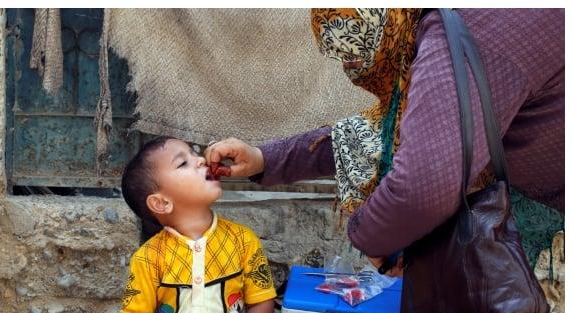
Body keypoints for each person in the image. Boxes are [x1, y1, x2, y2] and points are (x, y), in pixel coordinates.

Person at [204, 9, 564, 275]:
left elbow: (422, 187)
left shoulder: (464, 32)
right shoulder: (438, 28)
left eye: (362, 58)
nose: (356, 74)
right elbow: (382, 134)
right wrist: (264, 158)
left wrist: (372, 239)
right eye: (344, 60)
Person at [120, 136, 277, 313]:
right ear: (161, 202)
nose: (201, 159)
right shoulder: (148, 258)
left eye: (195, 154)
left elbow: (262, 302)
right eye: (183, 163)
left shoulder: (243, 241)